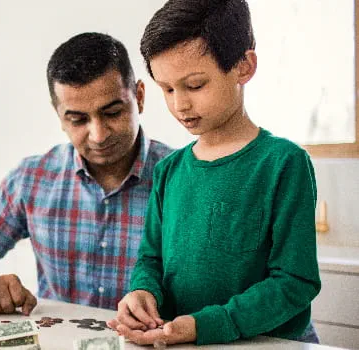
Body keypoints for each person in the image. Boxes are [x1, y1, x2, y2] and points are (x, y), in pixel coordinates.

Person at [108, 0, 321, 346]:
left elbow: (295, 282)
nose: (180, 105)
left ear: (243, 67)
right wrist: (142, 291)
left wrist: (206, 324)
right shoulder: (168, 171)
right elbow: (150, 259)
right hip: (182, 341)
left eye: (194, 85)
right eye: (167, 89)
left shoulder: (283, 163)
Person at [0, 32, 173, 316]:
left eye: (113, 112)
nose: (98, 134)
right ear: (59, 115)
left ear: (139, 97)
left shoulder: (181, 178)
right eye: (78, 119)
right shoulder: (31, 179)